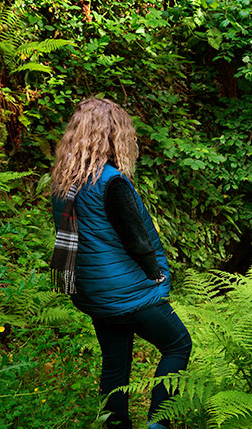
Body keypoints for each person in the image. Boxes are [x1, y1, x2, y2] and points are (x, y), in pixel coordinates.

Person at [50, 97, 192, 429]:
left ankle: (115, 423)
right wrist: (155, 273)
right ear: (114, 134)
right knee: (178, 344)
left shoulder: (64, 180)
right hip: (126, 292)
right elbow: (136, 239)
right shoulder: (111, 181)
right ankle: (159, 423)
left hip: (92, 291)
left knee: (115, 365)